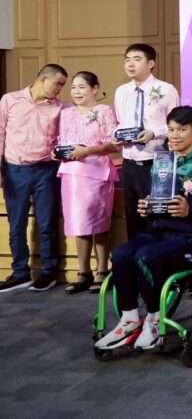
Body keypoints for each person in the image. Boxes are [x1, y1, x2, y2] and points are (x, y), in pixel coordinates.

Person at [94, 106, 192, 352]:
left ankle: (154, 319)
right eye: (171, 130)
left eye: (182, 129)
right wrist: (147, 207)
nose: (175, 135)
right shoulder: (161, 165)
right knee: (121, 254)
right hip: (160, 233)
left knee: (145, 257)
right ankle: (129, 318)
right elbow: (156, 204)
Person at [0, 64, 68, 293]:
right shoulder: (10, 100)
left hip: (45, 170)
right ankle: (20, 272)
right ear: (43, 79)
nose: (59, 89)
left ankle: (49, 272)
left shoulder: (60, 108)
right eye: (58, 84)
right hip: (15, 170)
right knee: (16, 224)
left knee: (46, 223)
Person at [56, 71, 118, 295]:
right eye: (74, 87)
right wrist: (58, 153)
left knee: (98, 221)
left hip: (97, 171)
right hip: (71, 173)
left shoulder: (104, 111)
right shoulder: (66, 113)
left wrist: (88, 150)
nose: (77, 92)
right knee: (77, 222)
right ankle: (83, 272)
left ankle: (102, 270)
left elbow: (114, 143)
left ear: (94, 89)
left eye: (82, 87)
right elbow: (62, 141)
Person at [114, 44, 180, 240]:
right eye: (127, 60)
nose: (130, 64)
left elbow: (176, 126)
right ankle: (136, 256)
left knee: (156, 215)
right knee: (133, 216)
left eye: (137, 59)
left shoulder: (166, 89)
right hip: (129, 163)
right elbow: (121, 122)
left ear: (151, 64)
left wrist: (154, 133)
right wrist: (117, 134)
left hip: (157, 162)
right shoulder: (122, 91)